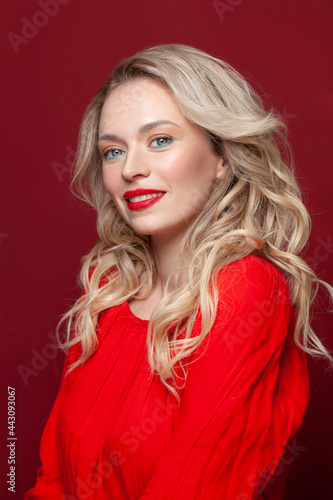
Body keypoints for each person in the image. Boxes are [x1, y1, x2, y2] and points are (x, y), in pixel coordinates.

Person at [25, 43, 333, 500]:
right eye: (112, 152)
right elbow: (51, 480)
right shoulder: (108, 291)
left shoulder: (247, 288)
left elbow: (194, 485)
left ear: (223, 158)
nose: (131, 169)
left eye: (160, 140)